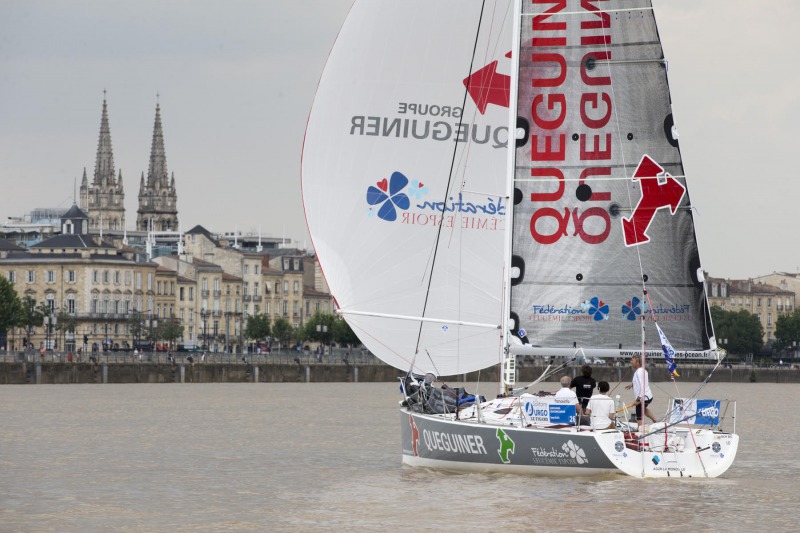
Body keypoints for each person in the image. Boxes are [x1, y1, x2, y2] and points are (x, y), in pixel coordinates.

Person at [625, 354, 657, 425]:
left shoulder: (638, 372)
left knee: (639, 415)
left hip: (643, 398)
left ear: (637, 363)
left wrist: (638, 400)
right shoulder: (643, 370)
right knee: (644, 409)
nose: (631, 362)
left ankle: (641, 431)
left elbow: (642, 386)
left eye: (632, 360)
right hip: (648, 397)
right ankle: (655, 420)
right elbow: (642, 382)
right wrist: (632, 384)